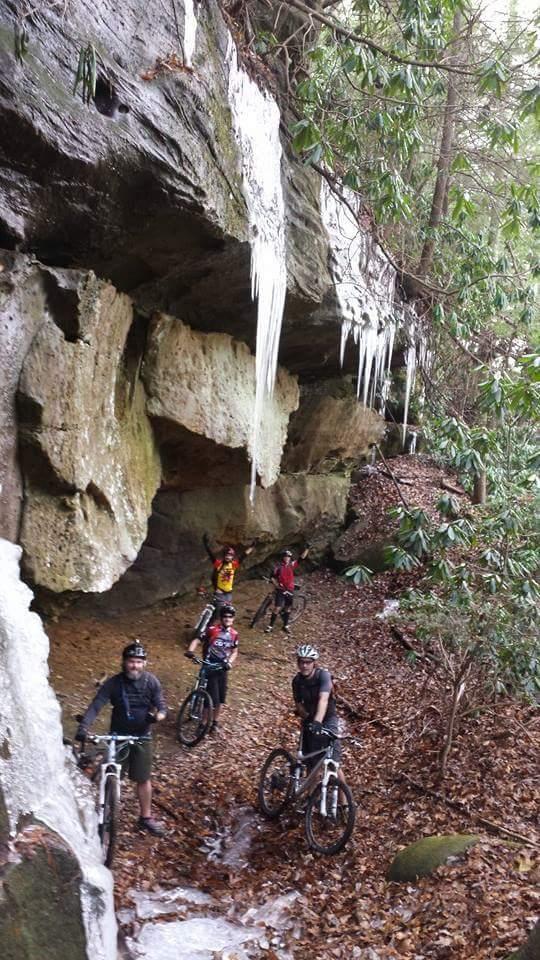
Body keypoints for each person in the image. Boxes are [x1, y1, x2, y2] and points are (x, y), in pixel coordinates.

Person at [76, 642, 167, 836]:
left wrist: (157, 717)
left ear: (144, 663)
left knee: (143, 778)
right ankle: (101, 809)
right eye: (131, 661)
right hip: (117, 736)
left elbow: (162, 708)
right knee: (109, 772)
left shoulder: (152, 682)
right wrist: (84, 726)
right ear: (124, 663)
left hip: (142, 736)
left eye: (138, 662)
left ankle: (145, 817)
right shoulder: (114, 683)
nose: (134, 665)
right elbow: (96, 705)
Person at [292, 644, 345, 781]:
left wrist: (318, 721)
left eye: (308, 662)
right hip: (310, 721)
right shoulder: (297, 681)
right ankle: (311, 800)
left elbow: (323, 699)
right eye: (301, 662)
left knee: (334, 763)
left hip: (327, 719)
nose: (304, 665)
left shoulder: (323, 676)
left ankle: (345, 802)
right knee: (312, 764)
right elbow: (298, 703)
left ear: (314, 663)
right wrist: (308, 718)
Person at [185, 603, 238, 731]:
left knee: (220, 698)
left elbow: (235, 651)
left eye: (230, 617)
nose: (227, 619)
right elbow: (197, 640)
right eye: (225, 616)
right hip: (209, 665)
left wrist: (229, 662)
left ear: (233, 618)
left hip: (222, 667)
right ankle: (203, 723)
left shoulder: (234, 634)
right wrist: (190, 651)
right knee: (211, 697)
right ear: (221, 617)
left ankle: (215, 721)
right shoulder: (212, 630)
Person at [202, 533, 254, 618]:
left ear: (232, 557)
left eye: (229, 556)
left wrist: (251, 547)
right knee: (217, 613)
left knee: (225, 612)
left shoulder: (233, 565)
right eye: (226, 555)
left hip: (228, 593)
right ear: (224, 556)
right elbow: (211, 555)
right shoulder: (219, 564)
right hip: (220, 592)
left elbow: (243, 556)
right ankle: (207, 626)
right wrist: (206, 545)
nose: (228, 557)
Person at [265, 546, 308, 634]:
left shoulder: (292, 565)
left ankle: (285, 625)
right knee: (277, 608)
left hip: (290, 589)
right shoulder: (278, 568)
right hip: (281, 589)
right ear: (283, 558)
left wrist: (307, 549)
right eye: (285, 556)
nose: (287, 558)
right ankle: (270, 626)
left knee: (288, 608)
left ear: (290, 558)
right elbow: (272, 577)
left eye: (288, 557)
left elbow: (301, 558)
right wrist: (276, 584)